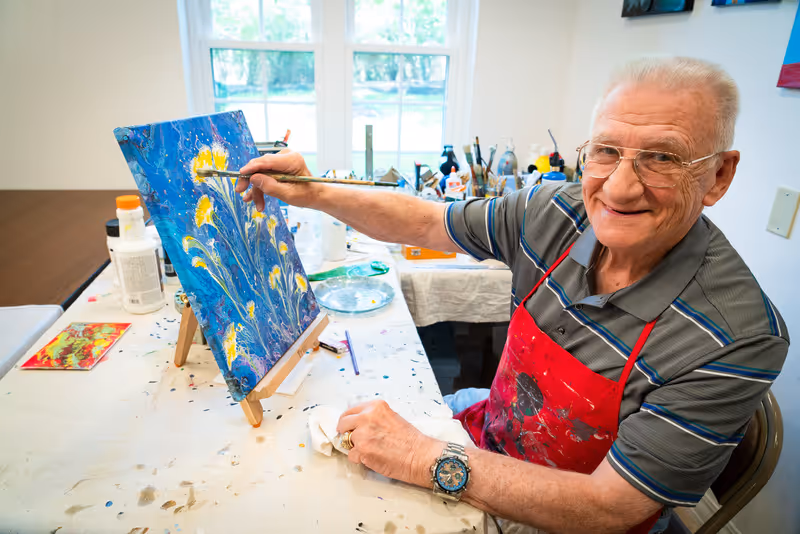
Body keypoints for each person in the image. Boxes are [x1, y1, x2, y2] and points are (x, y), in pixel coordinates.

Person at [236, 57, 789, 533]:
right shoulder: (554, 213)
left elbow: (611, 508)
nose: (620, 187)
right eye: (606, 151)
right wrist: (310, 191)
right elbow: (427, 223)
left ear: (719, 176)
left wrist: (427, 457)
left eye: (663, 157)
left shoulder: (735, 336)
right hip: (487, 434)